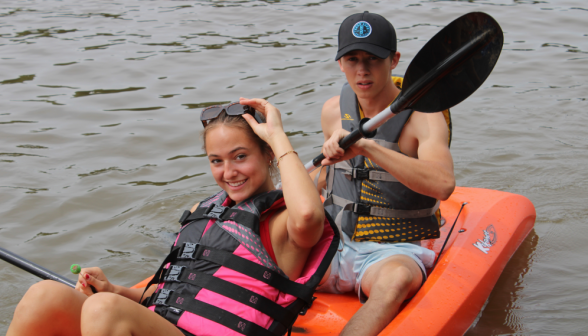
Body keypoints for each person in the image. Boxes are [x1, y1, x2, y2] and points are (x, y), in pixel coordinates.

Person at [7, 98, 338, 336]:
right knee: (45, 296)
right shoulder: (202, 213)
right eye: (216, 161)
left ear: (267, 153)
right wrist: (115, 290)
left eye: (240, 157)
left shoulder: (280, 224)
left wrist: (278, 136)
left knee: (102, 309)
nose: (228, 172)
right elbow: (173, 294)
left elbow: (309, 213)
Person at [314, 12, 455, 336]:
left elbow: (444, 184)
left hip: (393, 250)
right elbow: (327, 180)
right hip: (332, 239)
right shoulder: (333, 110)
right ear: (340, 63)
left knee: (396, 283)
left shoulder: (425, 117)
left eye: (373, 60)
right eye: (352, 59)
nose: (362, 70)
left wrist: (369, 148)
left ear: (394, 60)